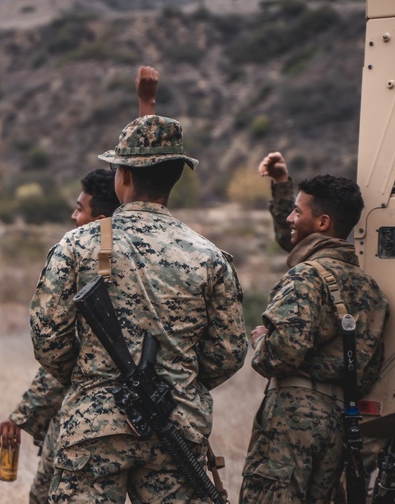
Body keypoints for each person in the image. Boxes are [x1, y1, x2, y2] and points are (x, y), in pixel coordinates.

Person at [31, 115, 248, 503]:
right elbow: (229, 352)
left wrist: (93, 379)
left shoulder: (77, 245)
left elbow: (47, 338)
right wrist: (179, 379)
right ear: (176, 176)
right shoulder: (209, 257)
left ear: (124, 177)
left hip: (94, 429)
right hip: (176, 429)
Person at [257, 152, 395, 504]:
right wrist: (283, 186)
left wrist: (265, 341)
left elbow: (279, 354)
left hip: (376, 396)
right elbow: (296, 234)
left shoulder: (315, 272)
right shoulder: (357, 267)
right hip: (351, 402)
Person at [240, 169, 389, 503]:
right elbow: (369, 366)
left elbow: (280, 355)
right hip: (340, 422)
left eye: (297, 211)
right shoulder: (371, 289)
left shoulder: (306, 276)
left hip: (293, 417)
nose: (290, 219)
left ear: (322, 223)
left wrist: (261, 340)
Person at [0, 169, 122, 503]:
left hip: (88, 420)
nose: (73, 215)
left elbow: (57, 351)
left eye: (80, 209)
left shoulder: (82, 260)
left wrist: (22, 416)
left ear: (102, 219)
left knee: (45, 495)